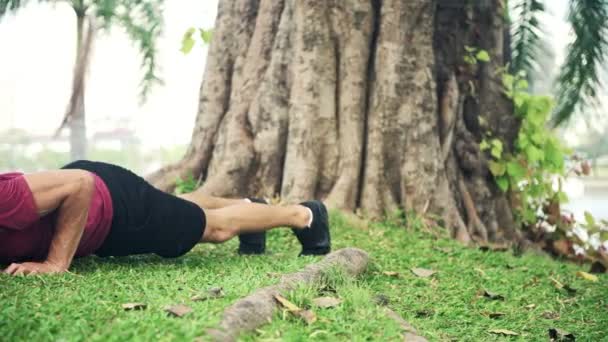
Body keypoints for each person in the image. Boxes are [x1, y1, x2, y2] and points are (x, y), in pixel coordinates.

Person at [0, 160, 330, 276]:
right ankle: (248, 205)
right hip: (104, 203)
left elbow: (79, 183)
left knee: (213, 227)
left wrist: (56, 263)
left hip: (118, 207)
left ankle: (303, 215)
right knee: (176, 207)